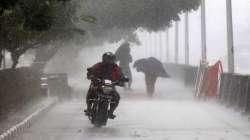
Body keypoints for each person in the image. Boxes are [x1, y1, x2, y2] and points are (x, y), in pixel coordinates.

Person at [85, 52, 123, 119]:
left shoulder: (116, 67)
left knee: (116, 97)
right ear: (104, 59)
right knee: (91, 92)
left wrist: (122, 80)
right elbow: (91, 71)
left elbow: (120, 75)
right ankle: (88, 108)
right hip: (97, 83)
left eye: (111, 59)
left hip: (110, 85)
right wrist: (91, 75)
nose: (109, 61)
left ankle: (111, 112)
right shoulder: (98, 65)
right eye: (108, 59)